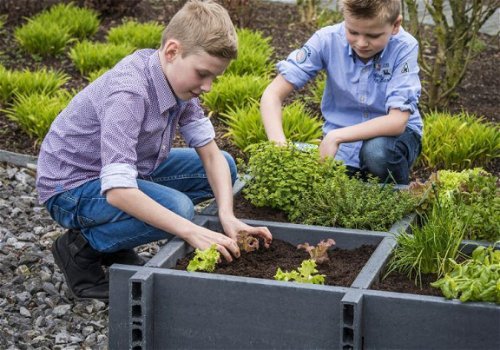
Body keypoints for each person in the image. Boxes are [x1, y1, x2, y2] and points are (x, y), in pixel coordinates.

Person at [35, 0, 272, 301]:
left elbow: (211, 155)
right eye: (203, 74)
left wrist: (228, 216)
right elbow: (119, 191)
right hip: (70, 188)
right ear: (172, 51)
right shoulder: (129, 94)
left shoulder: (177, 82)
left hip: (126, 171)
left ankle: (115, 241)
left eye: (215, 77)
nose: (208, 86)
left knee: (225, 164)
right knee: (179, 209)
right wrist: (190, 231)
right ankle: (81, 249)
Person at [261, 0, 423, 184]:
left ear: (395, 25)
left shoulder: (404, 47)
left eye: (373, 35)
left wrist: (336, 136)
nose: (361, 43)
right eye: (353, 32)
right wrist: (279, 148)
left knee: (376, 153)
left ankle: (398, 198)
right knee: (309, 176)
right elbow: (272, 95)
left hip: (392, 140)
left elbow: (397, 121)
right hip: (343, 147)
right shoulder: (326, 40)